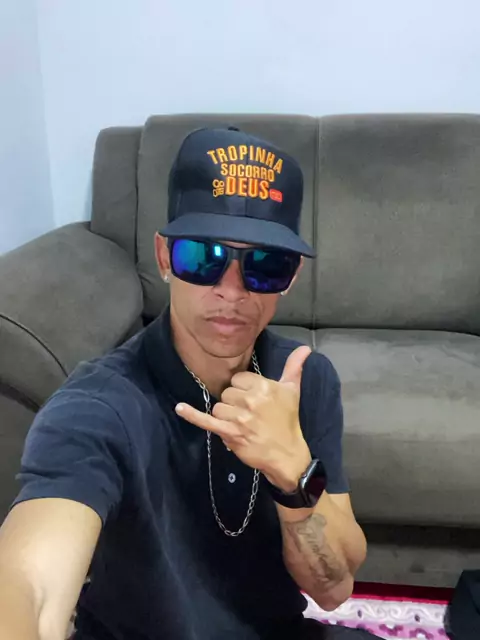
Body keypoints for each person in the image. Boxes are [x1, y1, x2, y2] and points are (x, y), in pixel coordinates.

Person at [0, 127, 376, 640]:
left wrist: (292, 472)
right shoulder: (100, 406)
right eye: (203, 257)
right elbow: (32, 584)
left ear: (290, 278)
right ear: (164, 258)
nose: (232, 291)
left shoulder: (305, 379)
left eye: (265, 265)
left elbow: (335, 589)